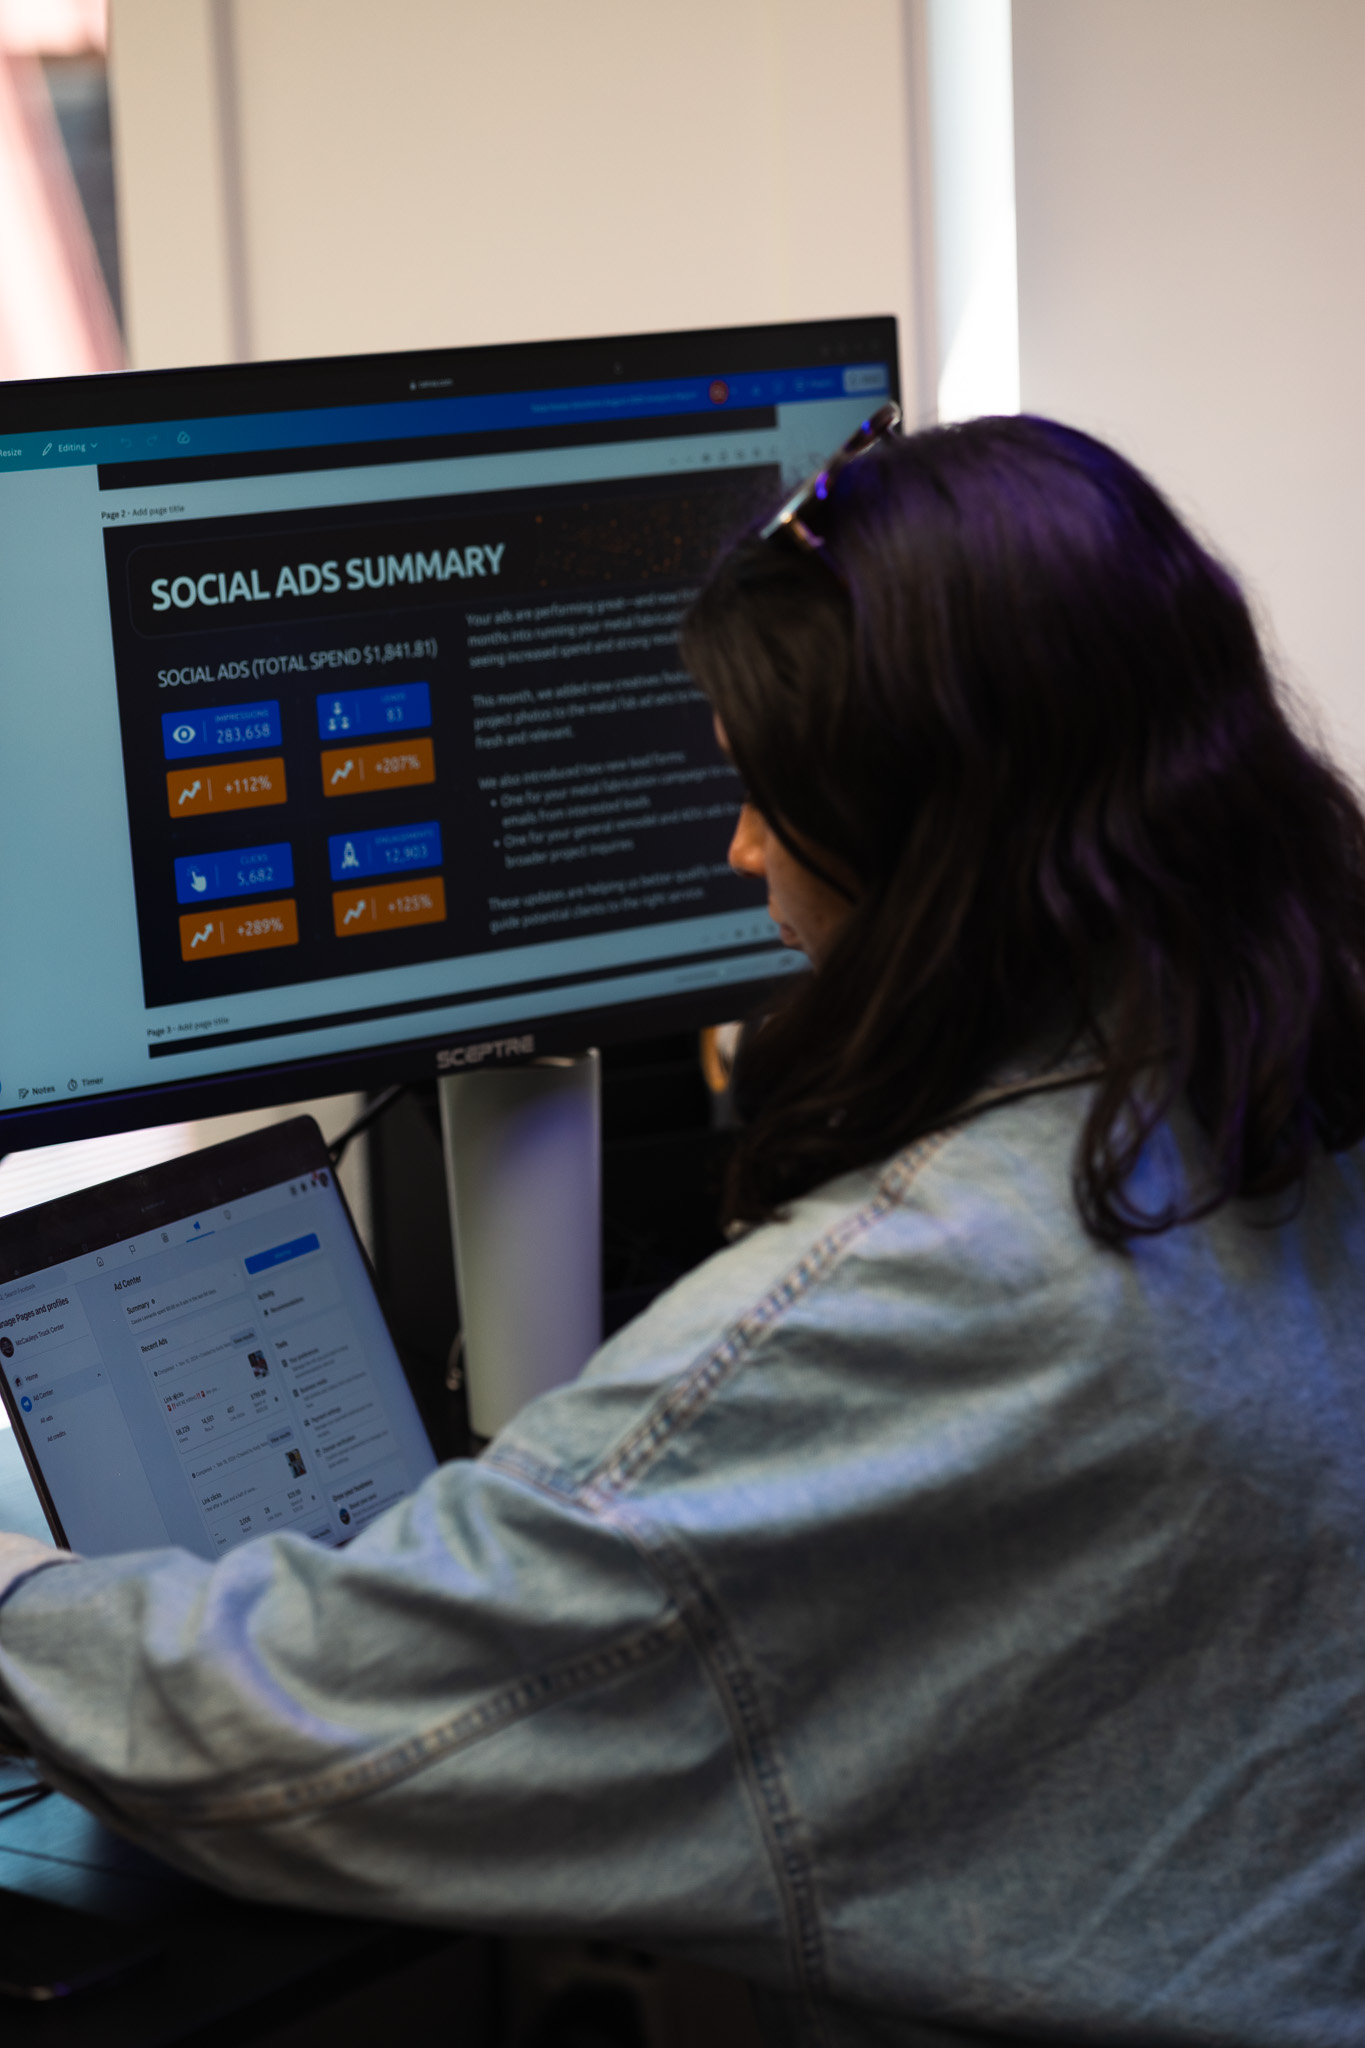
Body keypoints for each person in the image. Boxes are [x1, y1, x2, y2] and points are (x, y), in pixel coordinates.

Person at [3, 412, 1365, 2048]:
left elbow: (302, 1732)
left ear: (937, 840)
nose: (739, 851)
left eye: (768, 797)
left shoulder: (938, 1289)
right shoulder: (1269, 1096)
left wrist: (15, 1599)